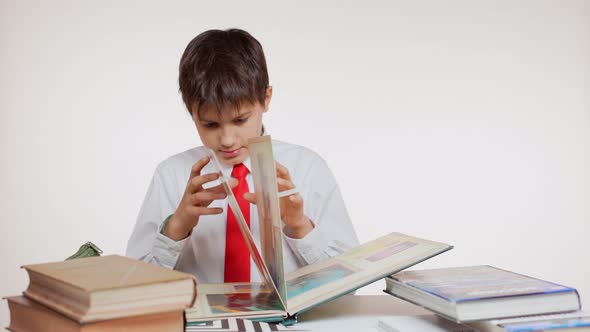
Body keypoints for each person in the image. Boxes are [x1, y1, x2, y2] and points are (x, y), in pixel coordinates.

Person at [126, 28, 359, 283]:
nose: (227, 139)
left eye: (240, 120)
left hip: (287, 323)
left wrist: (299, 225)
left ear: (266, 99)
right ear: (191, 113)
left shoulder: (308, 168)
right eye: (210, 125)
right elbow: (135, 284)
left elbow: (348, 282)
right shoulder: (171, 175)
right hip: (200, 322)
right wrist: (176, 227)